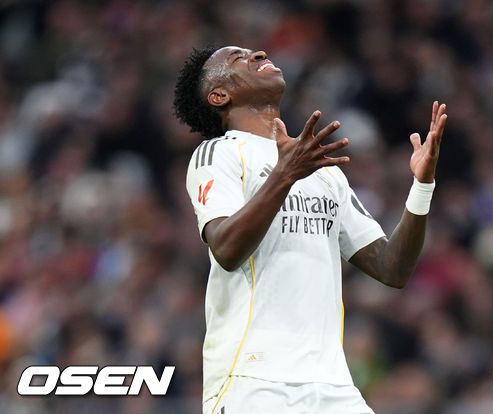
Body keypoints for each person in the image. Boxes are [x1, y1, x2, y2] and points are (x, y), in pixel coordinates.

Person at [173, 46, 447, 414]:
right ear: (220, 95)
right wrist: (285, 175)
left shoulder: (322, 171)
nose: (258, 54)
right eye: (239, 58)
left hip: (333, 385)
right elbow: (226, 249)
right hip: (253, 380)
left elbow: (391, 267)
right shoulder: (219, 154)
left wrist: (423, 185)